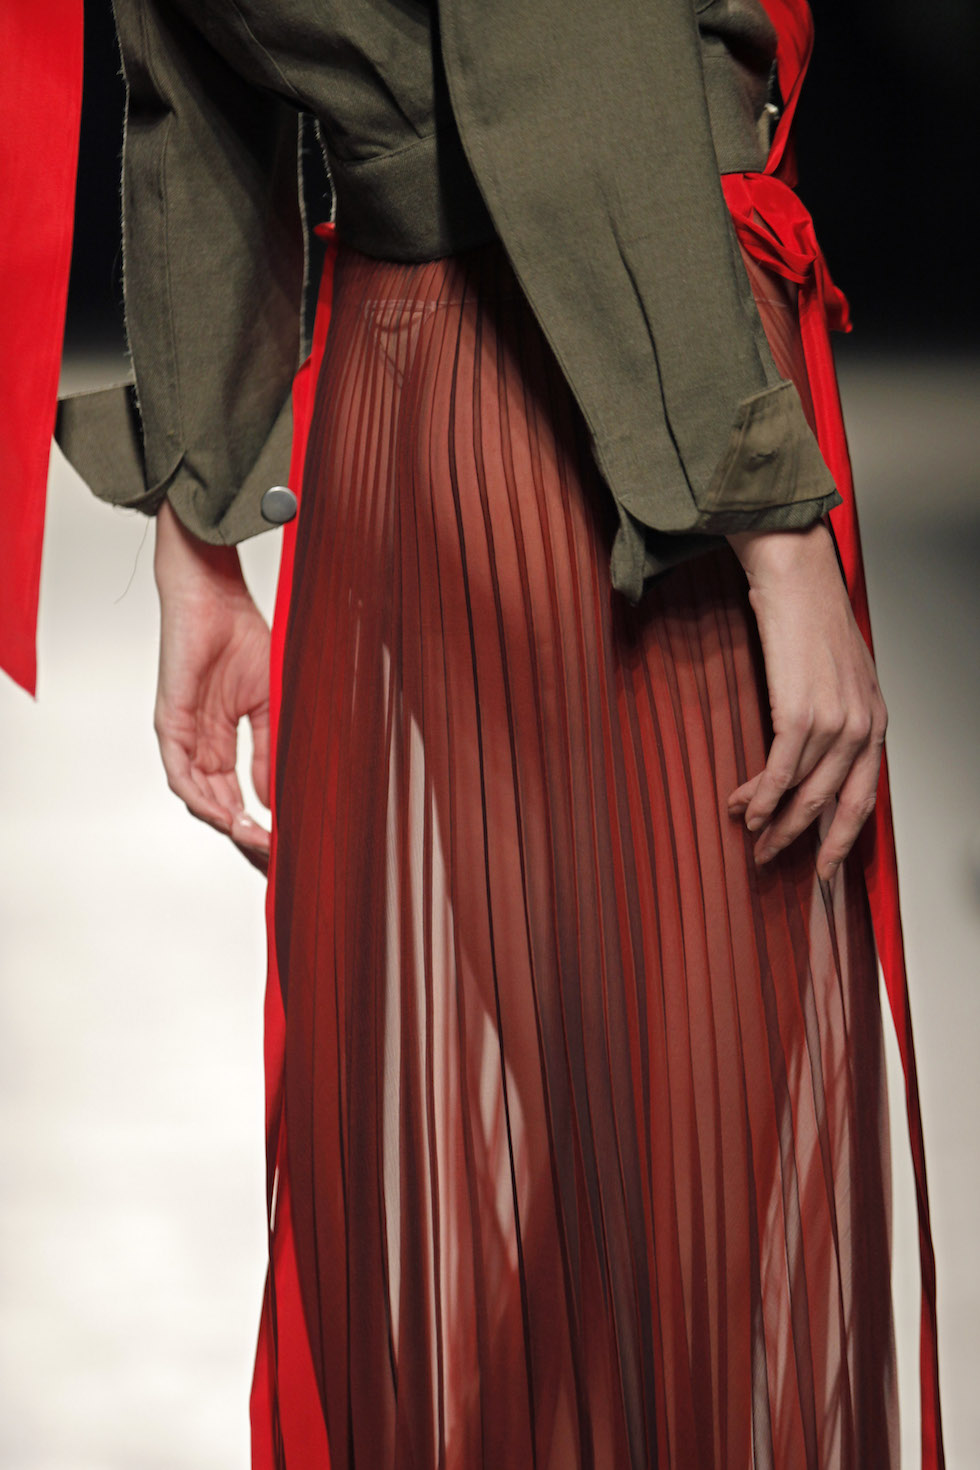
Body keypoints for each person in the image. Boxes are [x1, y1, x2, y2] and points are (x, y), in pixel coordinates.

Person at [33, 0, 945, 1465]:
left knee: (595, 1190)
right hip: (607, 404)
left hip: (408, 405)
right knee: (688, 1202)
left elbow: (185, 91)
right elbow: (572, 50)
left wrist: (197, 530)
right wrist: (772, 528)